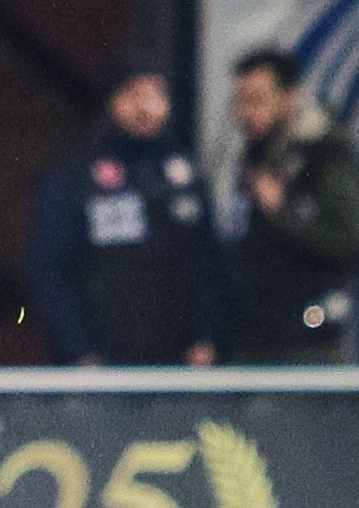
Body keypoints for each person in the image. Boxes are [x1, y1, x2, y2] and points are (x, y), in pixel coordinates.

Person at [25, 57, 218, 367]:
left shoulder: (185, 177)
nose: (146, 108)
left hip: (179, 362)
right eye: (134, 94)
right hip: (102, 364)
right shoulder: (76, 178)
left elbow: (210, 264)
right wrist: (79, 351)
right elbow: (49, 271)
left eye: (156, 95)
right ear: (112, 100)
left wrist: (207, 337)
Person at [221, 47, 359, 362]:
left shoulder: (324, 156)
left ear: (290, 98)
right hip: (253, 337)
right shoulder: (254, 156)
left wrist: (279, 213)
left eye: (256, 100)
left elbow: (348, 244)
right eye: (239, 101)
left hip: (306, 344)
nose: (244, 114)